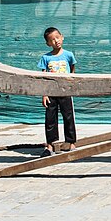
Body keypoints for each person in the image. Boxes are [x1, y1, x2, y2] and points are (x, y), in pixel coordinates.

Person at [38, 27, 77, 157]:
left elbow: (72, 70)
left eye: (57, 37)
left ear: (62, 37)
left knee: (68, 117)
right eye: (52, 40)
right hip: (51, 93)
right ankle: (50, 145)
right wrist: (44, 94)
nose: (56, 41)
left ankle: (71, 143)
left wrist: (71, 86)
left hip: (65, 92)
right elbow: (43, 76)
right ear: (48, 43)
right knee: (50, 119)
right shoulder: (45, 58)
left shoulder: (69, 55)